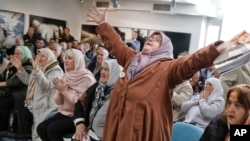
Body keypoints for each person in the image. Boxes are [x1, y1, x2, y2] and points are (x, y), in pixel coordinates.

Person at [86, 5, 248, 141]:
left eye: (158, 40)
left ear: (165, 49)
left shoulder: (167, 68)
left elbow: (192, 62)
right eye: (151, 37)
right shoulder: (132, 60)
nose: (151, 39)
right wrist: (103, 24)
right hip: (117, 130)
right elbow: (116, 44)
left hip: (144, 134)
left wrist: (223, 46)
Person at [37, 48, 96, 141]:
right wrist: (59, 91)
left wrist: (65, 92)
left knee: (52, 129)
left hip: (79, 116)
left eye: (69, 58)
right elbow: (58, 102)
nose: (66, 61)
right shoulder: (66, 75)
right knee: (40, 128)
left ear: (77, 60)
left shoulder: (86, 78)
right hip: (64, 113)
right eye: (65, 58)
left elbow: (81, 102)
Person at [11, 48, 64, 140]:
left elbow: (46, 85)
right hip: (34, 103)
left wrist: (37, 70)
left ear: (49, 57)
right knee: (22, 114)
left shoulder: (56, 71)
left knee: (38, 133)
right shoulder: (40, 67)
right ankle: (24, 137)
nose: (39, 58)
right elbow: (28, 80)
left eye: (43, 56)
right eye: (38, 55)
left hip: (47, 106)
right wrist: (20, 68)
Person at [72, 59, 122, 141]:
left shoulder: (120, 93)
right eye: (102, 68)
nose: (102, 72)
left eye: (106, 70)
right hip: (90, 129)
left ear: (115, 72)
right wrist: (79, 123)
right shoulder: (98, 86)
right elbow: (79, 102)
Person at [0, 46, 33, 131]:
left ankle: (3, 130)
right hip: (10, 91)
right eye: (15, 53)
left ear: (25, 55)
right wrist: (7, 69)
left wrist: (3, 84)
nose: (15, 55)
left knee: (3, 103)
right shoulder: (13, 65)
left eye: (18, 54)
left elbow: (19, 82)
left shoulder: (29, 66)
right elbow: (4, 77)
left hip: (21, 94)